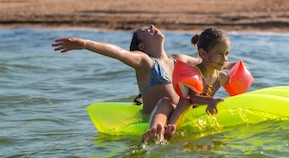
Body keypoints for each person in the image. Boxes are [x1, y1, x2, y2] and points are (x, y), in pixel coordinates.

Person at [51, 25, 199, 116]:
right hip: (155, 118)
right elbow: (119, 53)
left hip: (179, 115)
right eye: (146, 30)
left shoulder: (178, 59)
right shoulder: (145, 61)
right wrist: (85, 44)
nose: (152, 26)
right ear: (142, 46)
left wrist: (222, 60)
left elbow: (205, 62)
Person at [142, 27, 231, 143]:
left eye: (227, 54)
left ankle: (164, 130)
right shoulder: (193, 74)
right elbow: (192, 98)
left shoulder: (222, 77)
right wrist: (210, 101)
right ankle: (158, 129)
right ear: (203, 54)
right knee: (170, 101)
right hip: (181, 111)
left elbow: (237, 89)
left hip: (199, 112)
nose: (225, 59)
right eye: (220, 54)